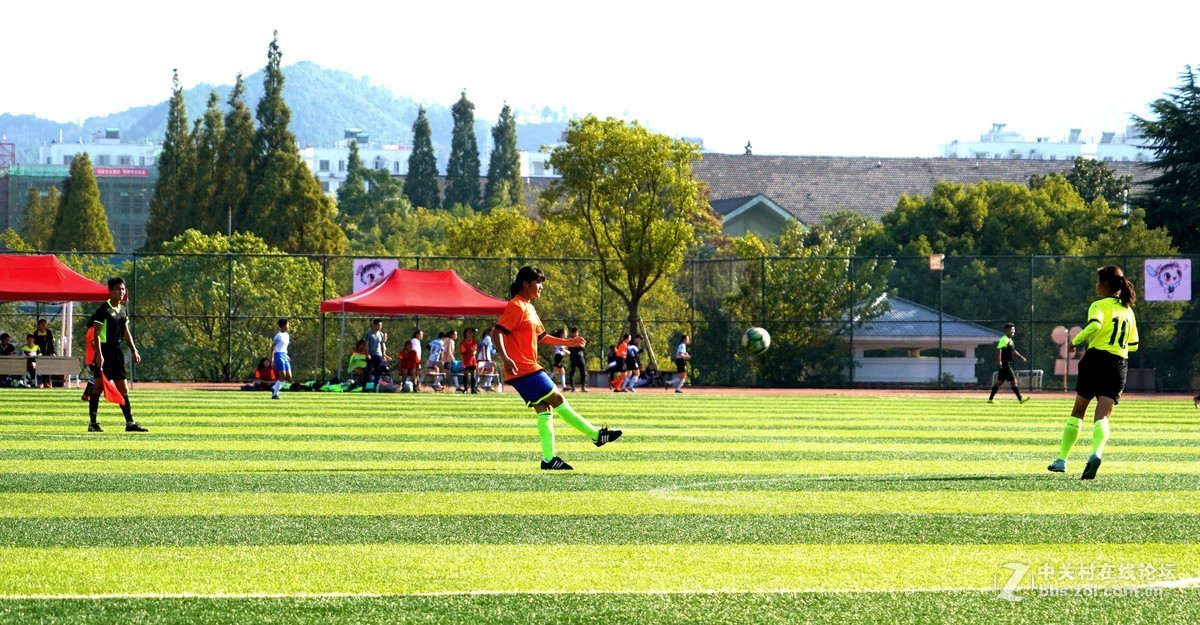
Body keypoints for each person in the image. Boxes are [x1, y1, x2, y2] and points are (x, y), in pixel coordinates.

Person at [493, 266, 621, 470]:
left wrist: (569, 342)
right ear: (526, 284)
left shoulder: (530, 308)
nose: (541, 287)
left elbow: (541, 337)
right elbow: (497, 332)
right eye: (538, 282)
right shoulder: (516, 306)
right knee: (558, 399)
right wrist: (506, 358)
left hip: (525, 369)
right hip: (523, 368)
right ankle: (596, 435)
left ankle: (549, 459)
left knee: (544, 409)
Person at [1048, 266, 1139, 481]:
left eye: (1098, 281)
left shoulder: (1098, 305)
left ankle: (1061, 460)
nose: (1096, 285)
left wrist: (1075, 341)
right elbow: (1134, 344)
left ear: (1106, 284)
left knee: (1079, 410)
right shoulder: (1128, 310)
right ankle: (1096, 453)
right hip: (1118, 363)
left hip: (1096, 359)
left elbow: (1095, 326)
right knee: (1103, 415)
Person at [86, 277, 147, 432]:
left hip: (117, 352)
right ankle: (93, 423)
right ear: (110, 290)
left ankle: (130, 423)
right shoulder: (103, 310)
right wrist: (99, 355)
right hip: (105, 351)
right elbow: (97, 334)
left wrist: (134, 350)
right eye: (118, 289)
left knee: (123, 389)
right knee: (98, 388)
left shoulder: (123, 310)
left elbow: (126, 333)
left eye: (123, 289)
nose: (122, 292)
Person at [988, 323, 1029, 404]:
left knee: (1000, 381)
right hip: (1006, 364)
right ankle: (1020, 399)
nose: (1013, 331)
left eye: (1014, 329)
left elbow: (1013, 351)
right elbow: (999, 349)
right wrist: (999, 361)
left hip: (1008, 363)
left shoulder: (1010, 340)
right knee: (1014, 381)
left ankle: (990, 399)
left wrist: (1021, 357)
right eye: (1011, 329)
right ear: (1006, 330)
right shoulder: (1004, 339)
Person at [269, 319, 293, 400]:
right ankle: (275, 394)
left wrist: (286, 354)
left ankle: (274, 387)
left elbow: (284, 347)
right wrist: (271, 358)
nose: (288, 326)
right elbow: (273, 347)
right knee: (282, 375)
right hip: (278, 355)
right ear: (283, 326)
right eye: (287, 324)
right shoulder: (278, 336)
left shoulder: (287, 335)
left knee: (288, 376)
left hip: (284, 355)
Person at [365, 319, 388, 392]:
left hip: (378, 355)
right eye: (378, 325)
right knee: (369, 371)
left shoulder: (381, 334)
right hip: (371, 355)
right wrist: (367, 353)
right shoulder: (369, 333)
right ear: (374, 325)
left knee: (377, 372)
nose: (379, 327)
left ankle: (375, 387)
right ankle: (366, 386)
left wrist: (383, 354)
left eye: (381, 325)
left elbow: (382, 345)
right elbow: (367, 344)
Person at [34, 318, 57, 388]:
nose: (44, 326)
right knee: (40, 367)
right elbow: (35, 343)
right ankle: (40, 382)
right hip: (39, 353)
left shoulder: (48, 332)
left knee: (47, 367)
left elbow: (51, 343)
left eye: (45, 324)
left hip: (47, 353)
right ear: (39, 325)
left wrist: (53, 352)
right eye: (42, 324)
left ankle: (47, 382)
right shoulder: (36, 333)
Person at [566, 326, 587, 392]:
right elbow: (570, 348)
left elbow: (582, 347)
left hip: (580, 358)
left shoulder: (580, 339)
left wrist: (579, 345)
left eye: (577, 332)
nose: (576, 334)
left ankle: (583, 387)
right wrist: (576, 345)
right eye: (574, 332)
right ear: (572, 333)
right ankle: (573, 388)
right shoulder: (570, 340)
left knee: (583, 373)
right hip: (573, 358)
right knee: (572, 373)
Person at [460, 327, 479, 393]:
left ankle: (473, 389)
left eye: (471, 332)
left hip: (472, 359)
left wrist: (473, 352)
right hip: (466, 360)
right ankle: (465, 389)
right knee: (465, 374)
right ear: (465, 333)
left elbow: (475, 350)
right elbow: (463, 351)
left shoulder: (473, 341)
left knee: (473, 374)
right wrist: (470, 352)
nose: (470, 333)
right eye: (469, 332)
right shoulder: (463, 342)